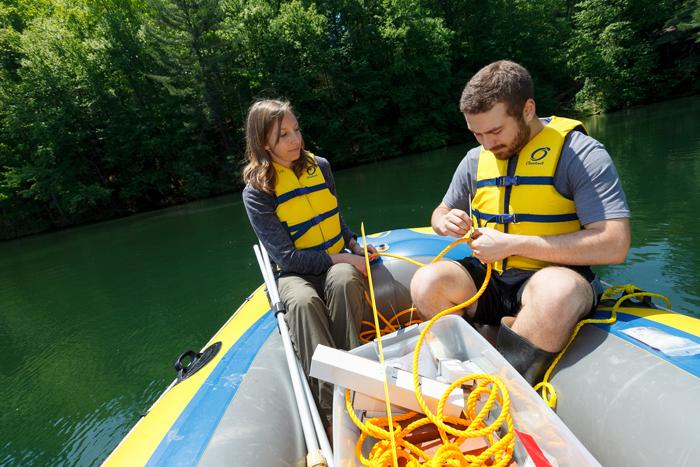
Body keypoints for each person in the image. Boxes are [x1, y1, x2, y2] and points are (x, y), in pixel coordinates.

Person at [410, 60, 631, 384]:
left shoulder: (579, 153)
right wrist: (445, 221)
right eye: (477, 133)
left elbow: (615, 244)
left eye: (496, 131)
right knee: (425, 282)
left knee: (556, 292)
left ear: (528, 110)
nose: (486, 143)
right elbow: (440, 212)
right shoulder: (474, 159)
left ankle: (503, 387)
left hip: (553, 277)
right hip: (491, 280)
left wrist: (513, 244)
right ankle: (466, 376)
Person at [242, 98, 374, 426]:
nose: (295, 140)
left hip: (335, 261)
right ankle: (332, 407)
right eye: (283, 135)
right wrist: (341, 256)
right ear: (263, 143)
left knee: (344, 278)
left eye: (296, 130)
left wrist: (354, 247)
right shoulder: (257, 192)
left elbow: (331, 214)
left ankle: (356, 380)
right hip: (294, 272)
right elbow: (285, 257)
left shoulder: (321, 166)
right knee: (302, 302)